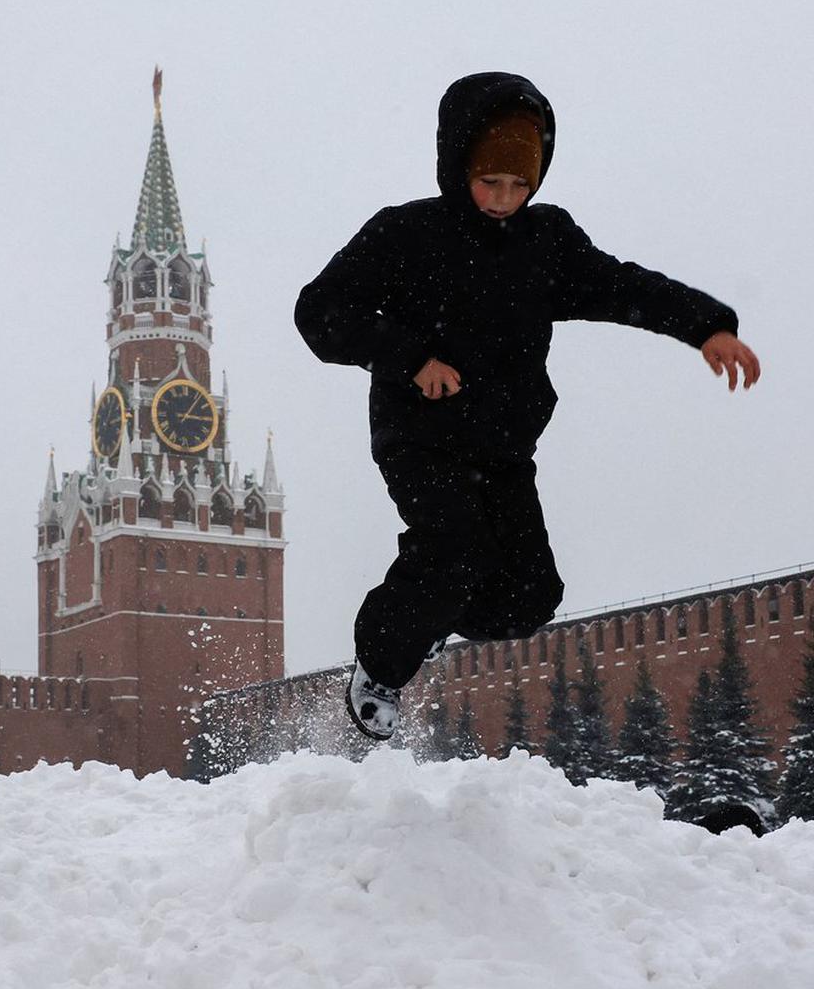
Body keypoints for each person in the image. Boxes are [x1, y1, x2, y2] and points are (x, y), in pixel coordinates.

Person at [294, 72, 760, 742]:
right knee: (449, 551)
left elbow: (623, 286)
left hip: (502, 449)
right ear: (457, 165)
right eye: (490, 182)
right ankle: (381, 664)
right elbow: (320, 312)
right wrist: (410, 357)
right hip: (420, 438)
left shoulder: (546, 244)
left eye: (520, 185)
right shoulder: (405, 236)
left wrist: (705, 326)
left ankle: (426, 621)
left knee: (529, 596)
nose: (503, 199)